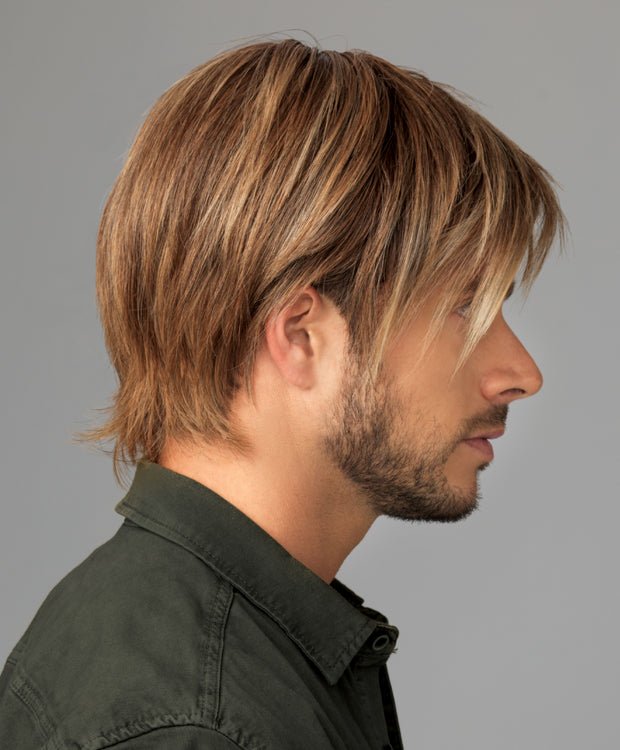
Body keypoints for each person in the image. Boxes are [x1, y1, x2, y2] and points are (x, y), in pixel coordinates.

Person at [0, 37, 567, 749]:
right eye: (466, 307)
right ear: (300, 335)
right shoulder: (197, 726)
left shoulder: (201, 651)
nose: (522, 373)